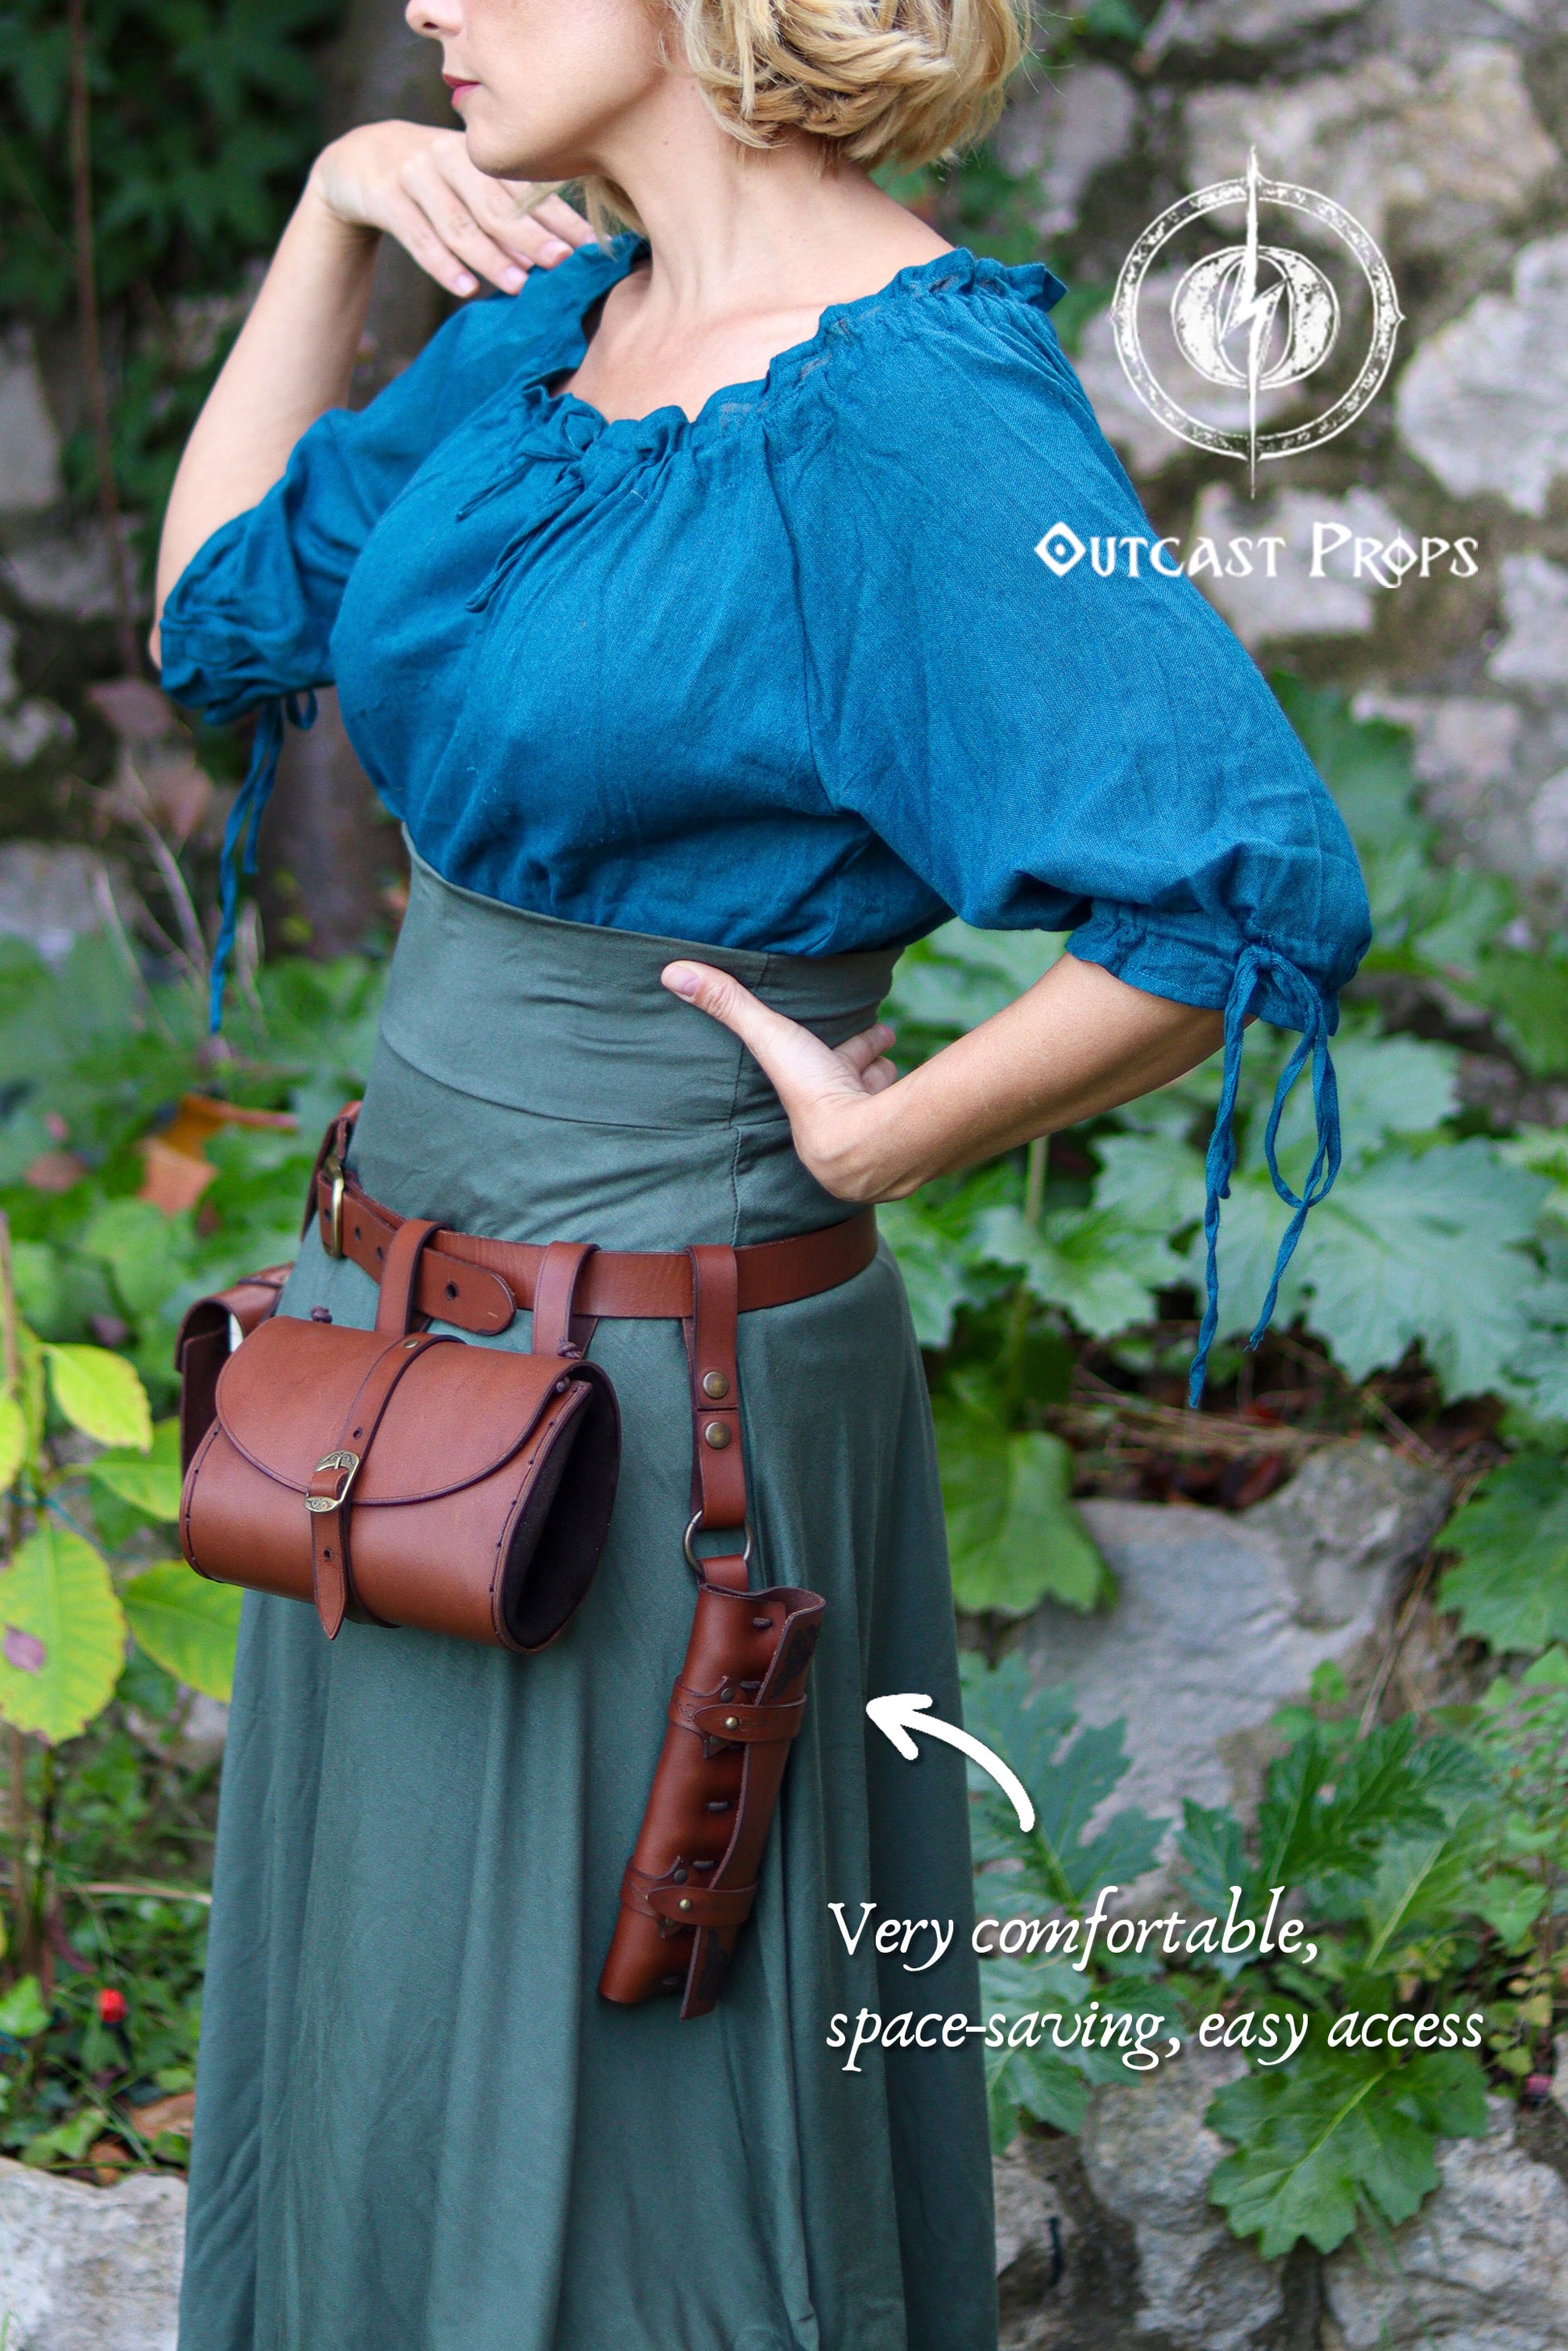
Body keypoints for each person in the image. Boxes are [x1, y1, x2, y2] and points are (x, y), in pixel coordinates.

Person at [152, 4, 1371, 2346]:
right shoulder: (548, 334)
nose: (429, 3)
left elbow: (1244, 895)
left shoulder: (909, 407)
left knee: (633, 2129)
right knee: (388, 2064)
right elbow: (228, 610)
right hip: (386, 1367)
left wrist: (895, 1128)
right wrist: (330, 212)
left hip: (645, 1400)